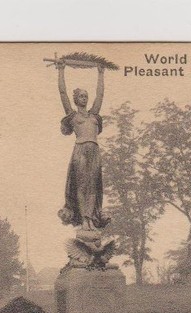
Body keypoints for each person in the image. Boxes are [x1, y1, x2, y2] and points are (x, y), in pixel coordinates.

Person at [56, 60, 109, 231]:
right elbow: (62, 92)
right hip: (80, 150)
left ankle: (90, 219)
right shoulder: (72, 116)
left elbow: (100, 95)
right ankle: (84, 219)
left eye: (86, 96)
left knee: (93, 186)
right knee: (81, 186)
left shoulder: (94, 115)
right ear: (76, 99)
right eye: (81, 96)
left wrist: (100, 73)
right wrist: (61, 70)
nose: (84, 98)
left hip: (94, 150)